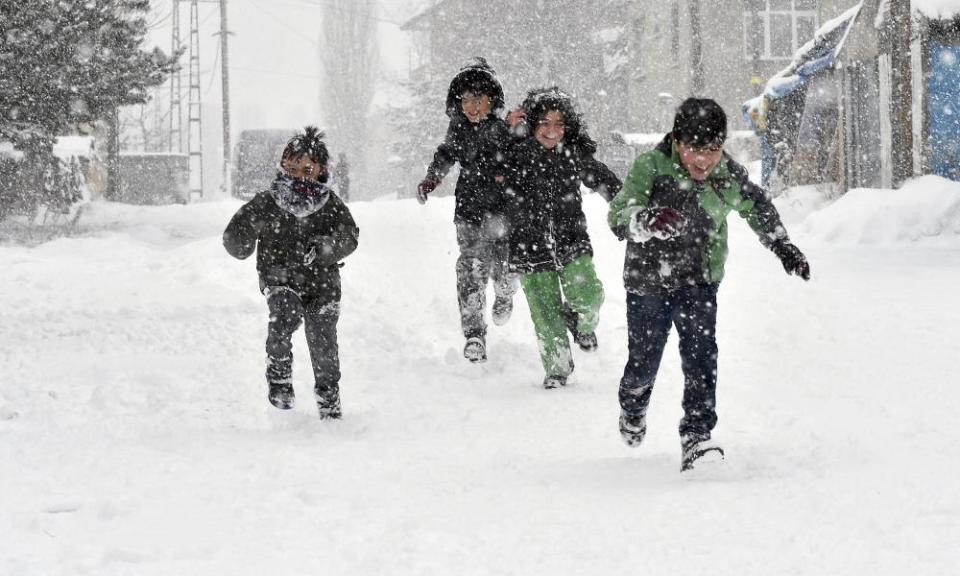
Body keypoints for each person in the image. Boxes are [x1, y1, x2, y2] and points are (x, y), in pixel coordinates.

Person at [607, 98, 810, 471]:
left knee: (701, 359)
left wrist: (781, 243)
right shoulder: (650, 167)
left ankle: (697, 438)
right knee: (643, 362)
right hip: (648, 283)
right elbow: (618, 215)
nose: (703, 161)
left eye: (713, 151)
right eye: (694, 151)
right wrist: (647, 220)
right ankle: (633, 403)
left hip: (699, 281)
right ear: (677, 142)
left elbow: (755, 204)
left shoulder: (726, 175)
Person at [223, 126, 359, 419]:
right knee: (284, 315)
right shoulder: (268, 201)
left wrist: (327, 248)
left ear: (322, 170)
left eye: (307, 169)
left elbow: (350, 237)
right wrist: (240, 239)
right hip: (279, 277)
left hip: (323, 284)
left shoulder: (330, 204)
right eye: (292, 167)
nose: (298, 175)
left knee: (323, 340)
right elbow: (238, 229)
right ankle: (280, 375)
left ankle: (328, 396)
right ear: (282, 166)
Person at [503, 87, 621, 389]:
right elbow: (483, 161)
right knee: (545, 314)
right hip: (528, 244)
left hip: (570, 239)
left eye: (559, 124)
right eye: (544, 123)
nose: (552, 131)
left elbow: (605, 181)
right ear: (530, 124)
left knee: (589, 294)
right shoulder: (514, 152)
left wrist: (628, 211)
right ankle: (557, 368)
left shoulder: (573, 154)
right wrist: (505, 129)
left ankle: (581, 323)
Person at [417, 57, 517, 363]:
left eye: (479, 100)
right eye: (466, 101)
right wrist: (433, 177)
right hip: (469, 209)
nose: (472, 108)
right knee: (471, 267)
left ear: (492, 101)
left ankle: (504, 291)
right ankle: (474, 333)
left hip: (499, 209)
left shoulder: (504, 129)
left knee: (500, 263)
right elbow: (446, 153)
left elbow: (518, 158)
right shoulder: (458, 129)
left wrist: (507, 170)